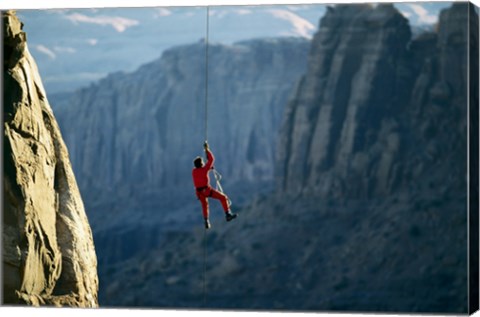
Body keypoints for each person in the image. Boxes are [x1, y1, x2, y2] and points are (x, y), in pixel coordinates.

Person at [192, 141, 237, 229]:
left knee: (205, 205)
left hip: (199, 193)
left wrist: (208, 168)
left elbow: (201, 172)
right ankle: (228, 214)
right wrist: (207, 150)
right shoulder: (204, 169)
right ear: (201, 164)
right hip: (207, 191)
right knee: (223, 198)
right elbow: (212, 159)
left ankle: (206, 220)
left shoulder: (194, 171)